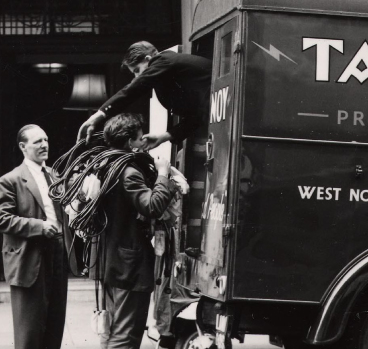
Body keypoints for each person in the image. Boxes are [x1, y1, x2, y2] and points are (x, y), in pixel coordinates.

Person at [99, 113, 178, 349]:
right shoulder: (128, 172)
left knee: (114, 330)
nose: (143, 141)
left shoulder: (107, 165)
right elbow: (153, 206)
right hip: (129, 265)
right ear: (129, 141)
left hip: (115, 260)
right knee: (126, 334)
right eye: (140, 137)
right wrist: (162, 173)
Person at [0, 125, 70, 349]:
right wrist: (39, 226)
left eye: (46, 140)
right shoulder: (10, 180)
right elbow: (3, 218)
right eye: (37, 141)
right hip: (29, 258)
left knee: (54, 325)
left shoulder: (55, 175)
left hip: (57, 252)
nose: (44, 145)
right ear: (23, 147)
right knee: (29, 331)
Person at [78, 41, 211, 149]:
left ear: (148, 59)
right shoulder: (166, 78)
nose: (137, 76)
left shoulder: (162, 60)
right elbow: (196, 117)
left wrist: (99, 115)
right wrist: (163, 137)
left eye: (137, 70)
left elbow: (133, 90)